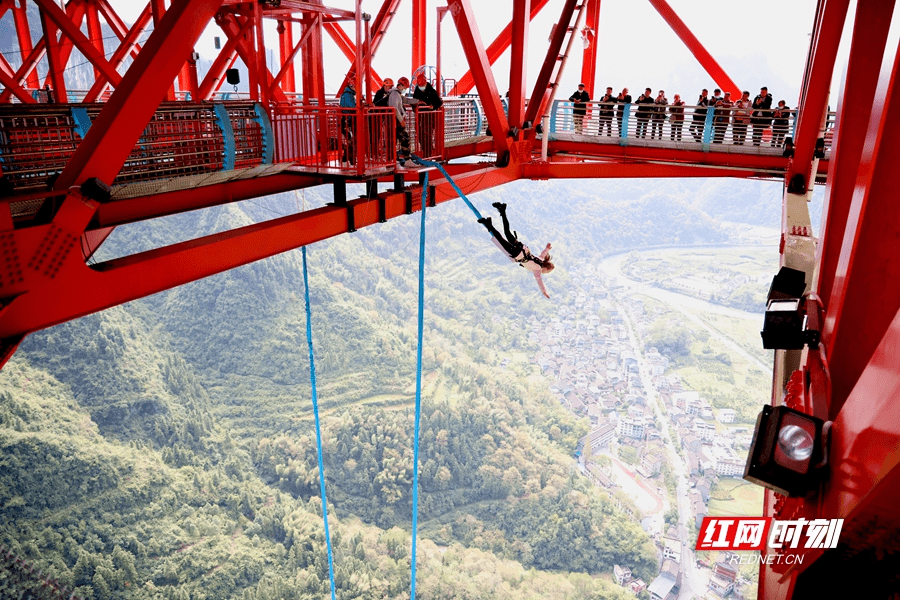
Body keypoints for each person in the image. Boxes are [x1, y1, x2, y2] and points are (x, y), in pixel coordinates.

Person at [478, 202, 554, 299]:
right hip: (517, 254)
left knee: (507, 232)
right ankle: (488, 223)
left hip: (521, 247)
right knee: (500, 239)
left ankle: (502, 210)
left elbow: (543, 254)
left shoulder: (541, 260)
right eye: (547, 272)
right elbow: (540, 282)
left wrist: (547, 248)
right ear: (546, 269)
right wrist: (544, 292)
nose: (545, 273)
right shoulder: (537, 271)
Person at [388, 76, 419, 165]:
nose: (405, 89)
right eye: (405, 87)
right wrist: (401, 120)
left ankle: (393, 159)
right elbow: (394, 108)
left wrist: (416, 101)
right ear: (400, 86)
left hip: (395, 121)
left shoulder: (396, 94)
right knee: (405, 139)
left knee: (395, 140)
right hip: (396, 121)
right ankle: (407, 160)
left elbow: (404, 100)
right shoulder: (395, 94)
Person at [412, 74, 442, 156]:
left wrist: (433, 106)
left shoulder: (431, 91)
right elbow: (414, 102)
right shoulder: (417, 90)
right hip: (420, 116)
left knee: (428, 135)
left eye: (422, 85)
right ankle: (424, 150)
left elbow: (439, 102)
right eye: (419, 85)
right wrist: (415, 108)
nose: (420, 87)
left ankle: (427, 153)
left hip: (429, 117)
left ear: (425, 83)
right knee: (420, 135)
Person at [339, 77, 356, 166]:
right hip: (347, 121)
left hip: (346, 120)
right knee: (351, 141)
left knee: (349, 141)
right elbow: (353, 107)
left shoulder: (347, 94)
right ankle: (350, 160)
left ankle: (346, 159)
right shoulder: (348, 95)